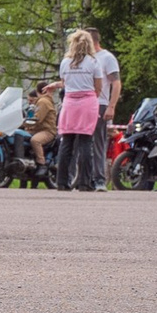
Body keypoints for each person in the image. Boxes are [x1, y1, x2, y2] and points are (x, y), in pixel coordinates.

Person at [54, 30, 107, 192]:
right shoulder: (93, 62)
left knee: (67, 142)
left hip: (70, 102)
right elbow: (98, 86)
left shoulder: (65, 62)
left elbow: (64, 82)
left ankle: (62, 181)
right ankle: (85, 182)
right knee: (85, 142)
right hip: (87, 102)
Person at [82, 30, 122, 189]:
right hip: (82, 104)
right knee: (82, 143)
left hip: (100, 103)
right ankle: (83, 178)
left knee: (98, 142)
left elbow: (116, 83)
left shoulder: (107, 58)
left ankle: (99, 179)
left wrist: (111, 106)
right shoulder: (82, 58)